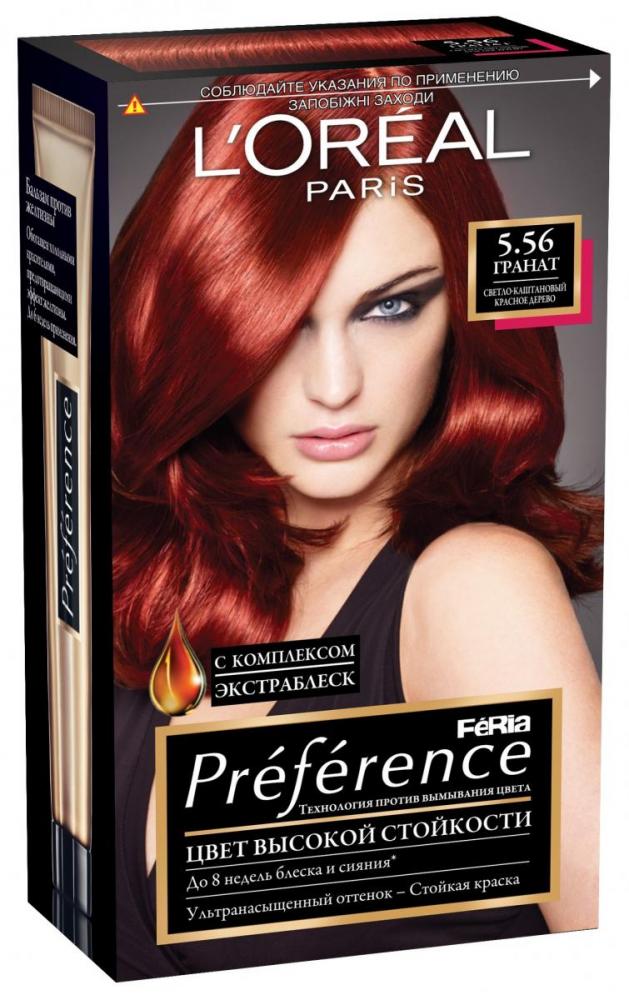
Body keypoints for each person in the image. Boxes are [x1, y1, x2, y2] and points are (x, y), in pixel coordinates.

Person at [110, 62, 602, 978]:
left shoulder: (472, 587)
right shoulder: (156, 587)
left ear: (462, 307)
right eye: (279, 317)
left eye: (391, 306)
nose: (334, 386)